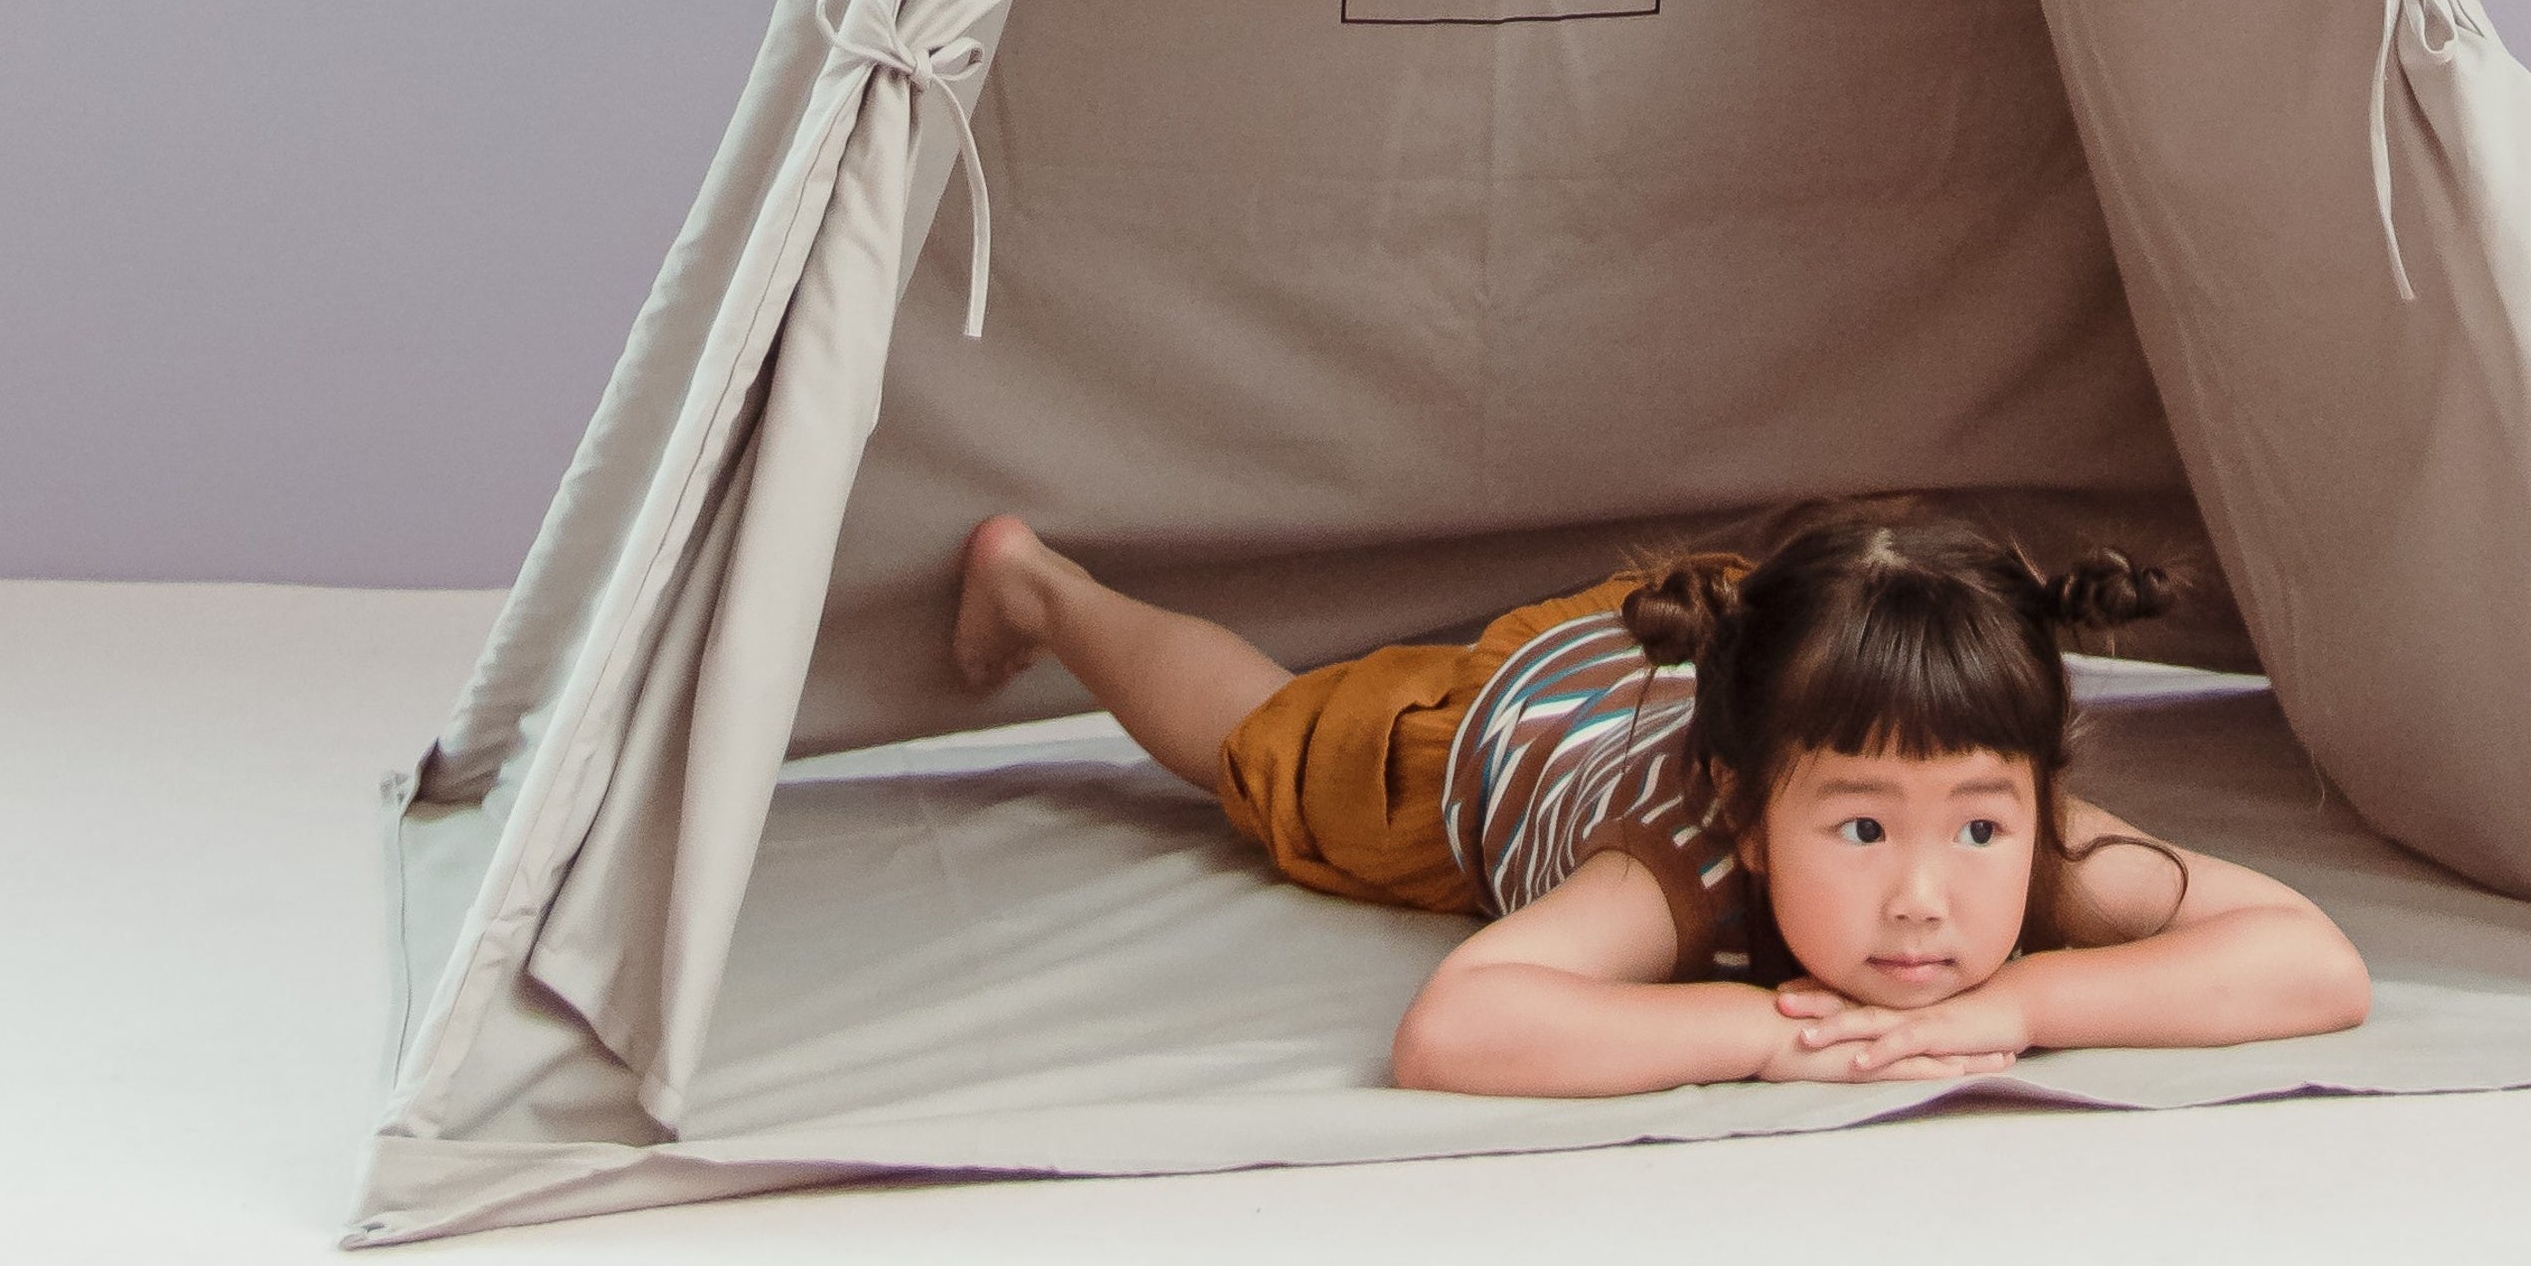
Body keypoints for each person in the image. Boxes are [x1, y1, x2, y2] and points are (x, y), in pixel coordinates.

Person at [948, 493, 2372, 1095]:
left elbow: (2313, 962)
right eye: (1860, 828)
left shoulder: (2016, 829)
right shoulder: (1675, 861)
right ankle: (1047, 589)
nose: (1923, 895)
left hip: (1707, 635)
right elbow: (1455, 1028)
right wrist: (1759, 1032)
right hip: (1503, 728)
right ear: (1747, 811)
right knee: (1257, 743)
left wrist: (2022, 1006)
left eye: (1979, 827)